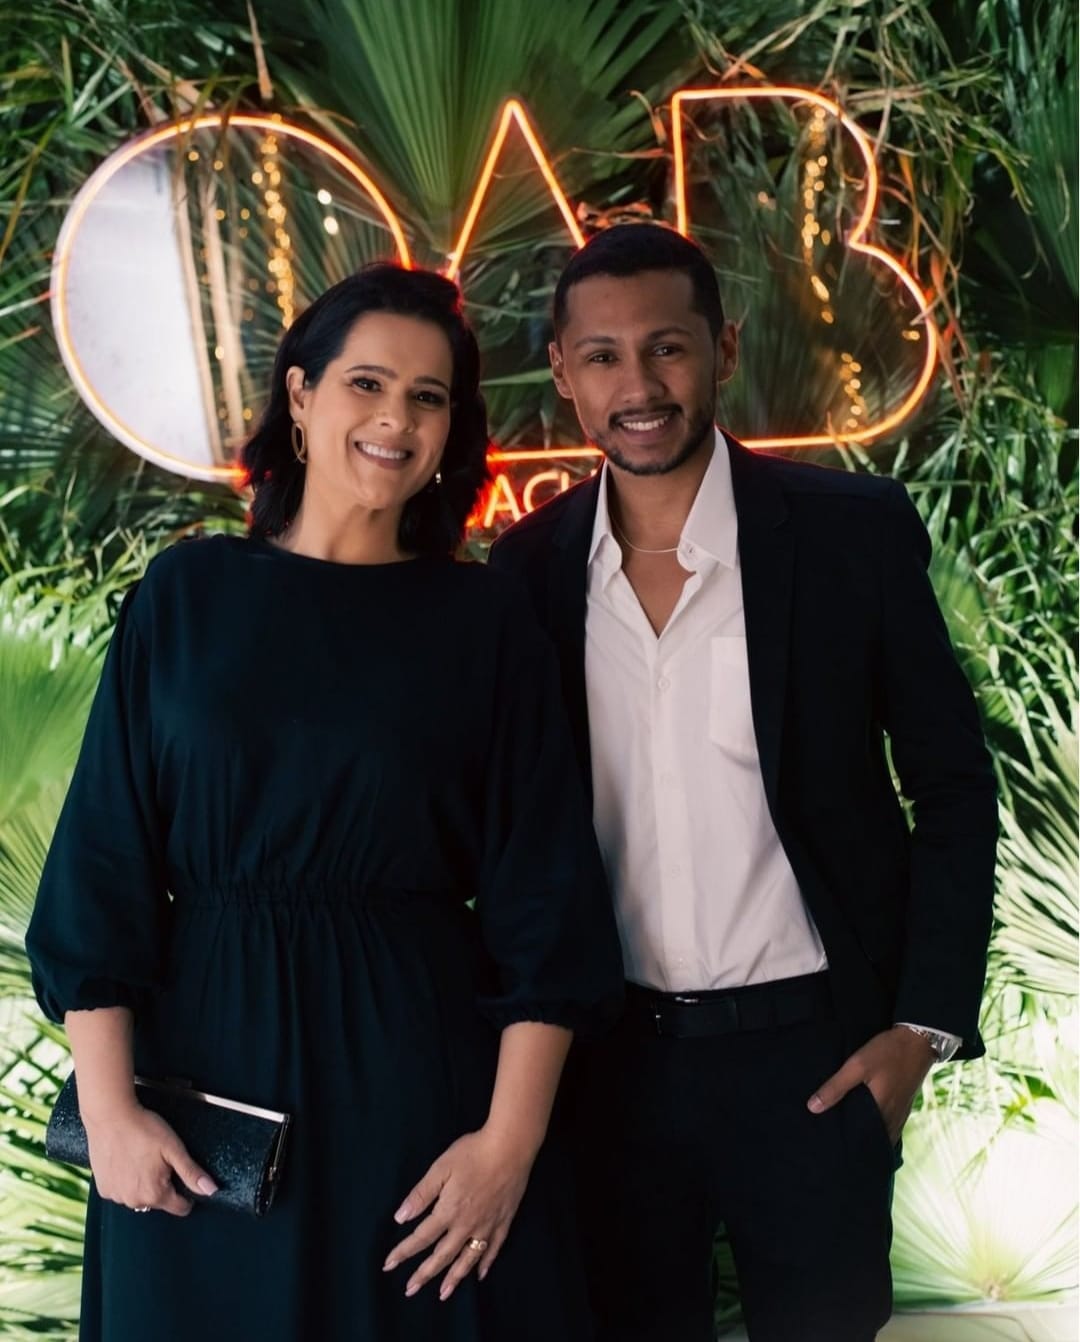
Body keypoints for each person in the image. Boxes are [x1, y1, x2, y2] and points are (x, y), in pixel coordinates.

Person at [26, 262, 623, 1342]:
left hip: (417, 1095)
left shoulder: (483, 622)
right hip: (199, 1108)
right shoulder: (188, 595)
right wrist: (108, 1112)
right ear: (300, 396)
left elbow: (547, 903)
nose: (396, 419)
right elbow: (101, 869)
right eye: (367, 383)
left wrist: (508, 1145)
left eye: (429, 397)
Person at [488, 222, 998, 1342]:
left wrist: (921, 1030)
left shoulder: (850, 534)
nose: (639, 386)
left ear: (721, 347)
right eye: (604, 356)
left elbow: (955, 785)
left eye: (667, 348)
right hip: (610, 1067)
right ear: (565, 375)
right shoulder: (526, 573)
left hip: (815, 1057)